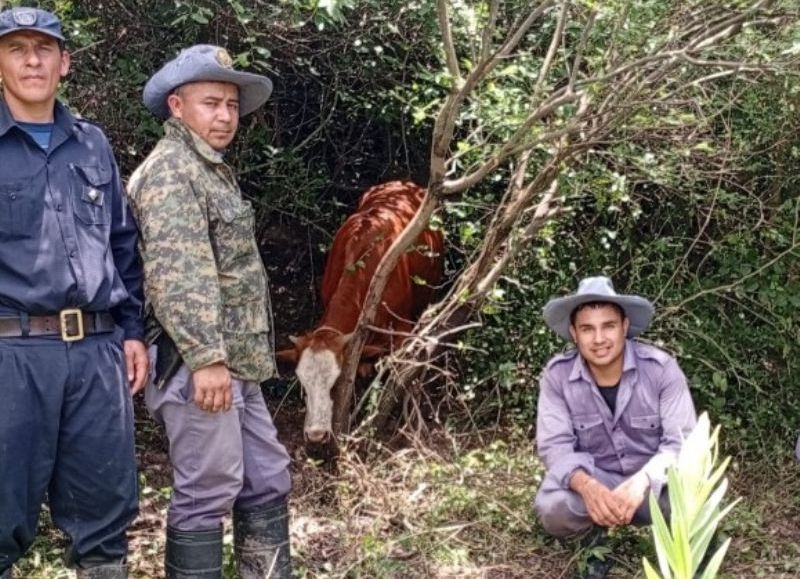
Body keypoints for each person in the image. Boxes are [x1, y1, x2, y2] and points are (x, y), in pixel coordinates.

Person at [127, 45, 292, 579]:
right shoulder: (172, 171)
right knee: (207, 491)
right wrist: (205, 358)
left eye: (231, 105)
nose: (224, 116)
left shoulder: (208, 169)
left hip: (232, 360)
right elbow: (180, 276)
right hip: (198, 361)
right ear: (177, 106)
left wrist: (225, 359)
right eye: (210, 103)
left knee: (267, 477)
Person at [0, 7, 148, 579]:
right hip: (12, 355)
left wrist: (132, 332)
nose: (32, 60)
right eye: (17, 49)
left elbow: (121, 242)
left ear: (65, 62)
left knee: (105, 512)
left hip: (95, 352)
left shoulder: (92, 145)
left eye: (44, 49)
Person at [534, 276, 697, 578]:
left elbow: (681, 443)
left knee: (693, 499)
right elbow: (554, 445)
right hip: (598, 483)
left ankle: (679, 550)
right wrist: (588, 486)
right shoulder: (557, 376)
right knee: (552, 506)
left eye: (608, 326)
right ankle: (593, 546)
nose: (599, 339)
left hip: (652, 485)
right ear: (573, 333)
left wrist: (643, 480)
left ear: (624, 327)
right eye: (587, 329)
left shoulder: (661, 368)